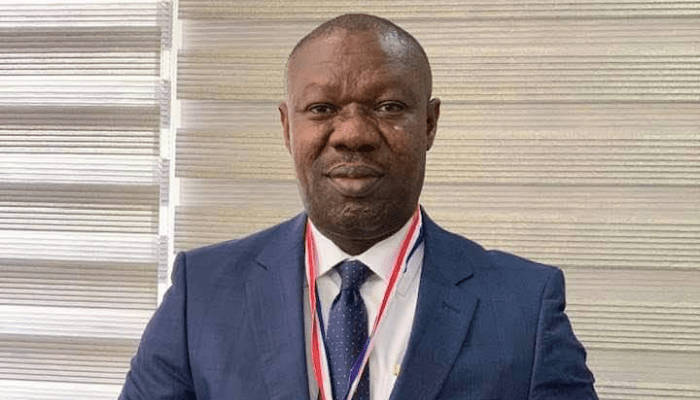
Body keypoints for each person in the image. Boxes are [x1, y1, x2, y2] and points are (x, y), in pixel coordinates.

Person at [120, 13, 598, 400]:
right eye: (322, 109)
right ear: (286, 127)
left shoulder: (525, 308)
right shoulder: (202, 293)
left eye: (388, 107)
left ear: (429, 124)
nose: (352, 134)